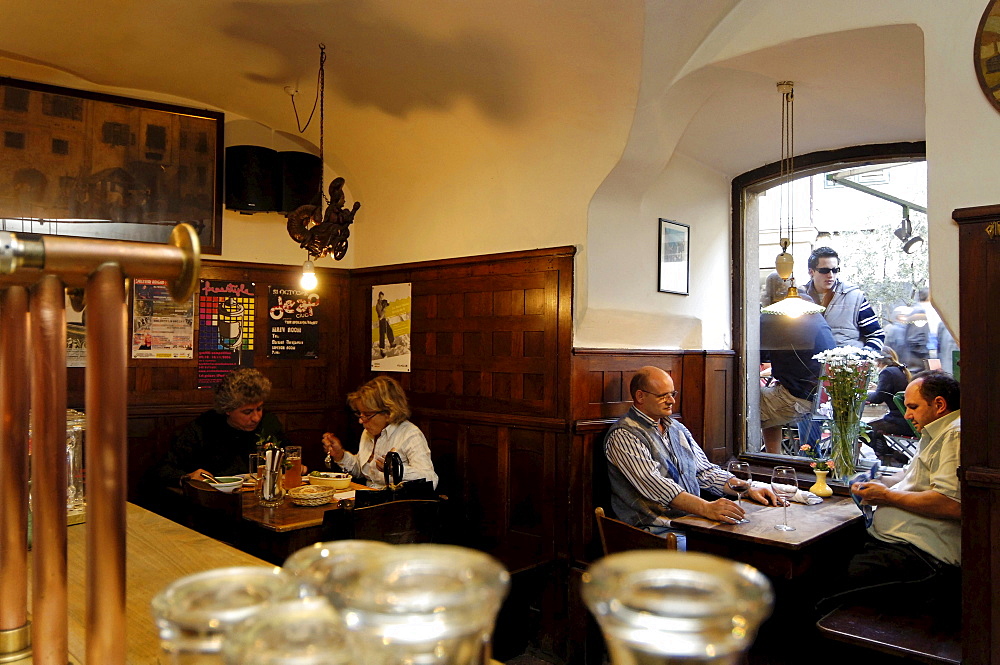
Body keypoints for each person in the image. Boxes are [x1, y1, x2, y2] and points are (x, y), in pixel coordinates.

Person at [820, 371, 961, 618]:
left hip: (922, 557)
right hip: (898, 544)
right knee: (824, 558)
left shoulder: (954, 435)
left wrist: (887, 497)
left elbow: (950, 503)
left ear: (939, 404)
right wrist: (876, 482)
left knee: (821, 588)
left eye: (913, 407)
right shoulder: (936, 432)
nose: (906, 415)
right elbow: (908, 478)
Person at [605, 366, 781, 534]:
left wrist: (746, 488)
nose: (671, 401)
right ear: (640, 396)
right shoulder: (624, 435)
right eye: (663, 395)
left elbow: (705, 473)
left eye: (672, 394)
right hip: (652, 531)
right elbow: (659, 488)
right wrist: (706, 508)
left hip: (692, 523)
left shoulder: (676, 428)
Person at [154, 368, 288, 487]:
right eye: (247, 412)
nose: (256, 417)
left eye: (259, 409)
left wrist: (293, 467)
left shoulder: (269, 422)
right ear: (228, 410)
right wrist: (187, 477)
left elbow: (288, 456)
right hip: (215, 500)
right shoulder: (203, 428)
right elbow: (163, 469)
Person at [322, 375, 438, 489]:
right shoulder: (368, 432)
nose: (361, 421)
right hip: (371, 497)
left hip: (397, 503)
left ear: (389, 412)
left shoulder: (410, 434)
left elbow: (430, 479)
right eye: (360, 414)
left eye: (367, 415)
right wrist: (340, 455)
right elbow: (362, 471)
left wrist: (396, 470)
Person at [759, 292, 836, 454]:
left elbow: (758, 355)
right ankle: (774, 456)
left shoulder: (781, 321)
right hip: (821, 398)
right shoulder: (818, 320)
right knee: (767, 399)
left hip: (799, 398)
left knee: (747, 403)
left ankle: (770, 457)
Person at [802, 246, 884, 352]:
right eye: (824, 270)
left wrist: (863, 358)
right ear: (811, 272)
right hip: (809, 365)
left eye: (835, 270)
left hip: (848, 365)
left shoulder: (855, 297)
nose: (830, 275)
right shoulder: (800, 298)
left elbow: (876, 335)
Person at [865, 347, 914, 466]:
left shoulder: (887, 372)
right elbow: (885, 393)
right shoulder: (896, 370)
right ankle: (894, 455)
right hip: (904, 419)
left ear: (878, 362)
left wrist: (862, 394)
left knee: (865, 430)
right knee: (872, 428)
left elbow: (878, 398)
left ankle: (885, 458)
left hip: (900, 421)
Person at [375, 291, 395, 357]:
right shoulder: (377, 305)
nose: (381, 298)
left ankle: (391, 343)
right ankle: (382, 350)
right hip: (381, 320)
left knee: (389, 330)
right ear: (379, 296)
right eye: (380, 297)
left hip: (384, 320)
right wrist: (384, 308)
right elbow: (380, 316)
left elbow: (386, 305)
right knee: (382, 335)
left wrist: (386, 305)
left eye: (382, 297)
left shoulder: (383, 302)